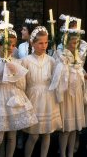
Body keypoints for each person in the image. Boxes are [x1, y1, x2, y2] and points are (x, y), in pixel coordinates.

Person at [0, 29, 38, 157]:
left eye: (13, 45)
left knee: (12, 137)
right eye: (7, 44)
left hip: (13, 99)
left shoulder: (17, 62)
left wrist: (14, 74)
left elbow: (22, 86)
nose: (10, 48)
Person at [22, 26, 62, 157]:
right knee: (33, 135)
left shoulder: (51, 60)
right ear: (32, 43)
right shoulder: (26, 60)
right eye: (40, 43)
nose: (44, 45)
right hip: (33, 98)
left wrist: (61, 63)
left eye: (46, 42)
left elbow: (56, 79)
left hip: (48, 98)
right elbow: (23, 83)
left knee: (47, 133)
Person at [50, 30, 87, 157]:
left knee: (74, 128)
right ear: (66, 42)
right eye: (72, 42)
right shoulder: (60, 54)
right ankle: (63, 153)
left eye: (77, 43)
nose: (74, 45)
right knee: (66, 128)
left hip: (75, 93)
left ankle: (70, 153)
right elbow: (56, 73)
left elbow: (81, 72)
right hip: (66, 93)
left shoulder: (78, 56)